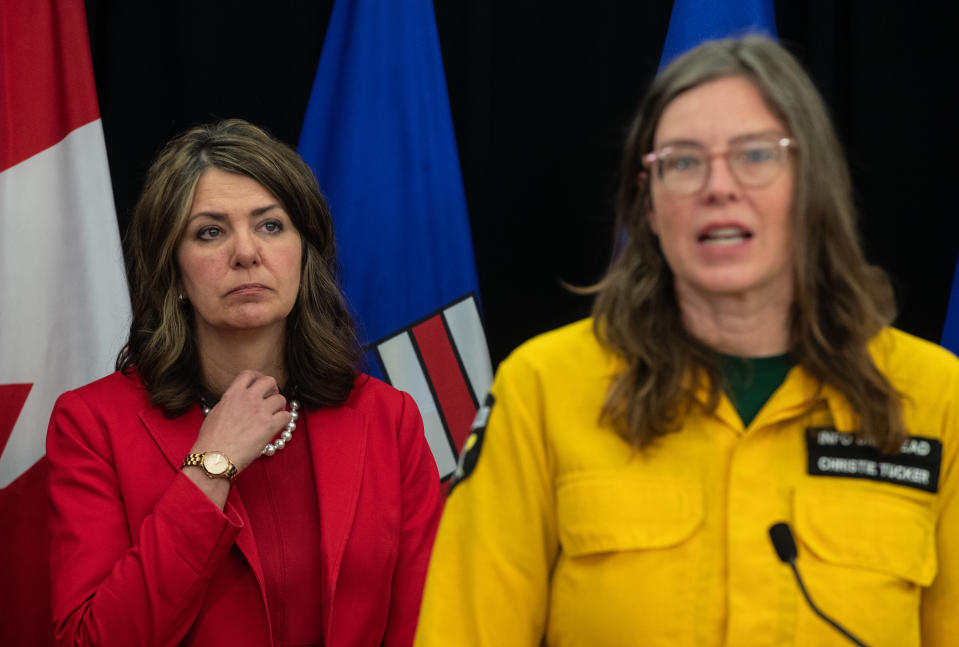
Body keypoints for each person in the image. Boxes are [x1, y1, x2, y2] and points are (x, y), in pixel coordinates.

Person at [414, 36, 958, 646]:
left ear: (812, 185)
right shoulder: (542, 387)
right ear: (647, 205)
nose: (717, 187)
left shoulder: (935, 396)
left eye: (755, 156)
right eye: (682, 162)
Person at [47, 119, 444, 647]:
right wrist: (211, 468)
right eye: (210, 231)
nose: (246, 252)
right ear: (173, 272)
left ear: (305, 257)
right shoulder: (92, 424)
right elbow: (90, 640)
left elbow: (427, 626)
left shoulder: (388, 419)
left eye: (271, 225)